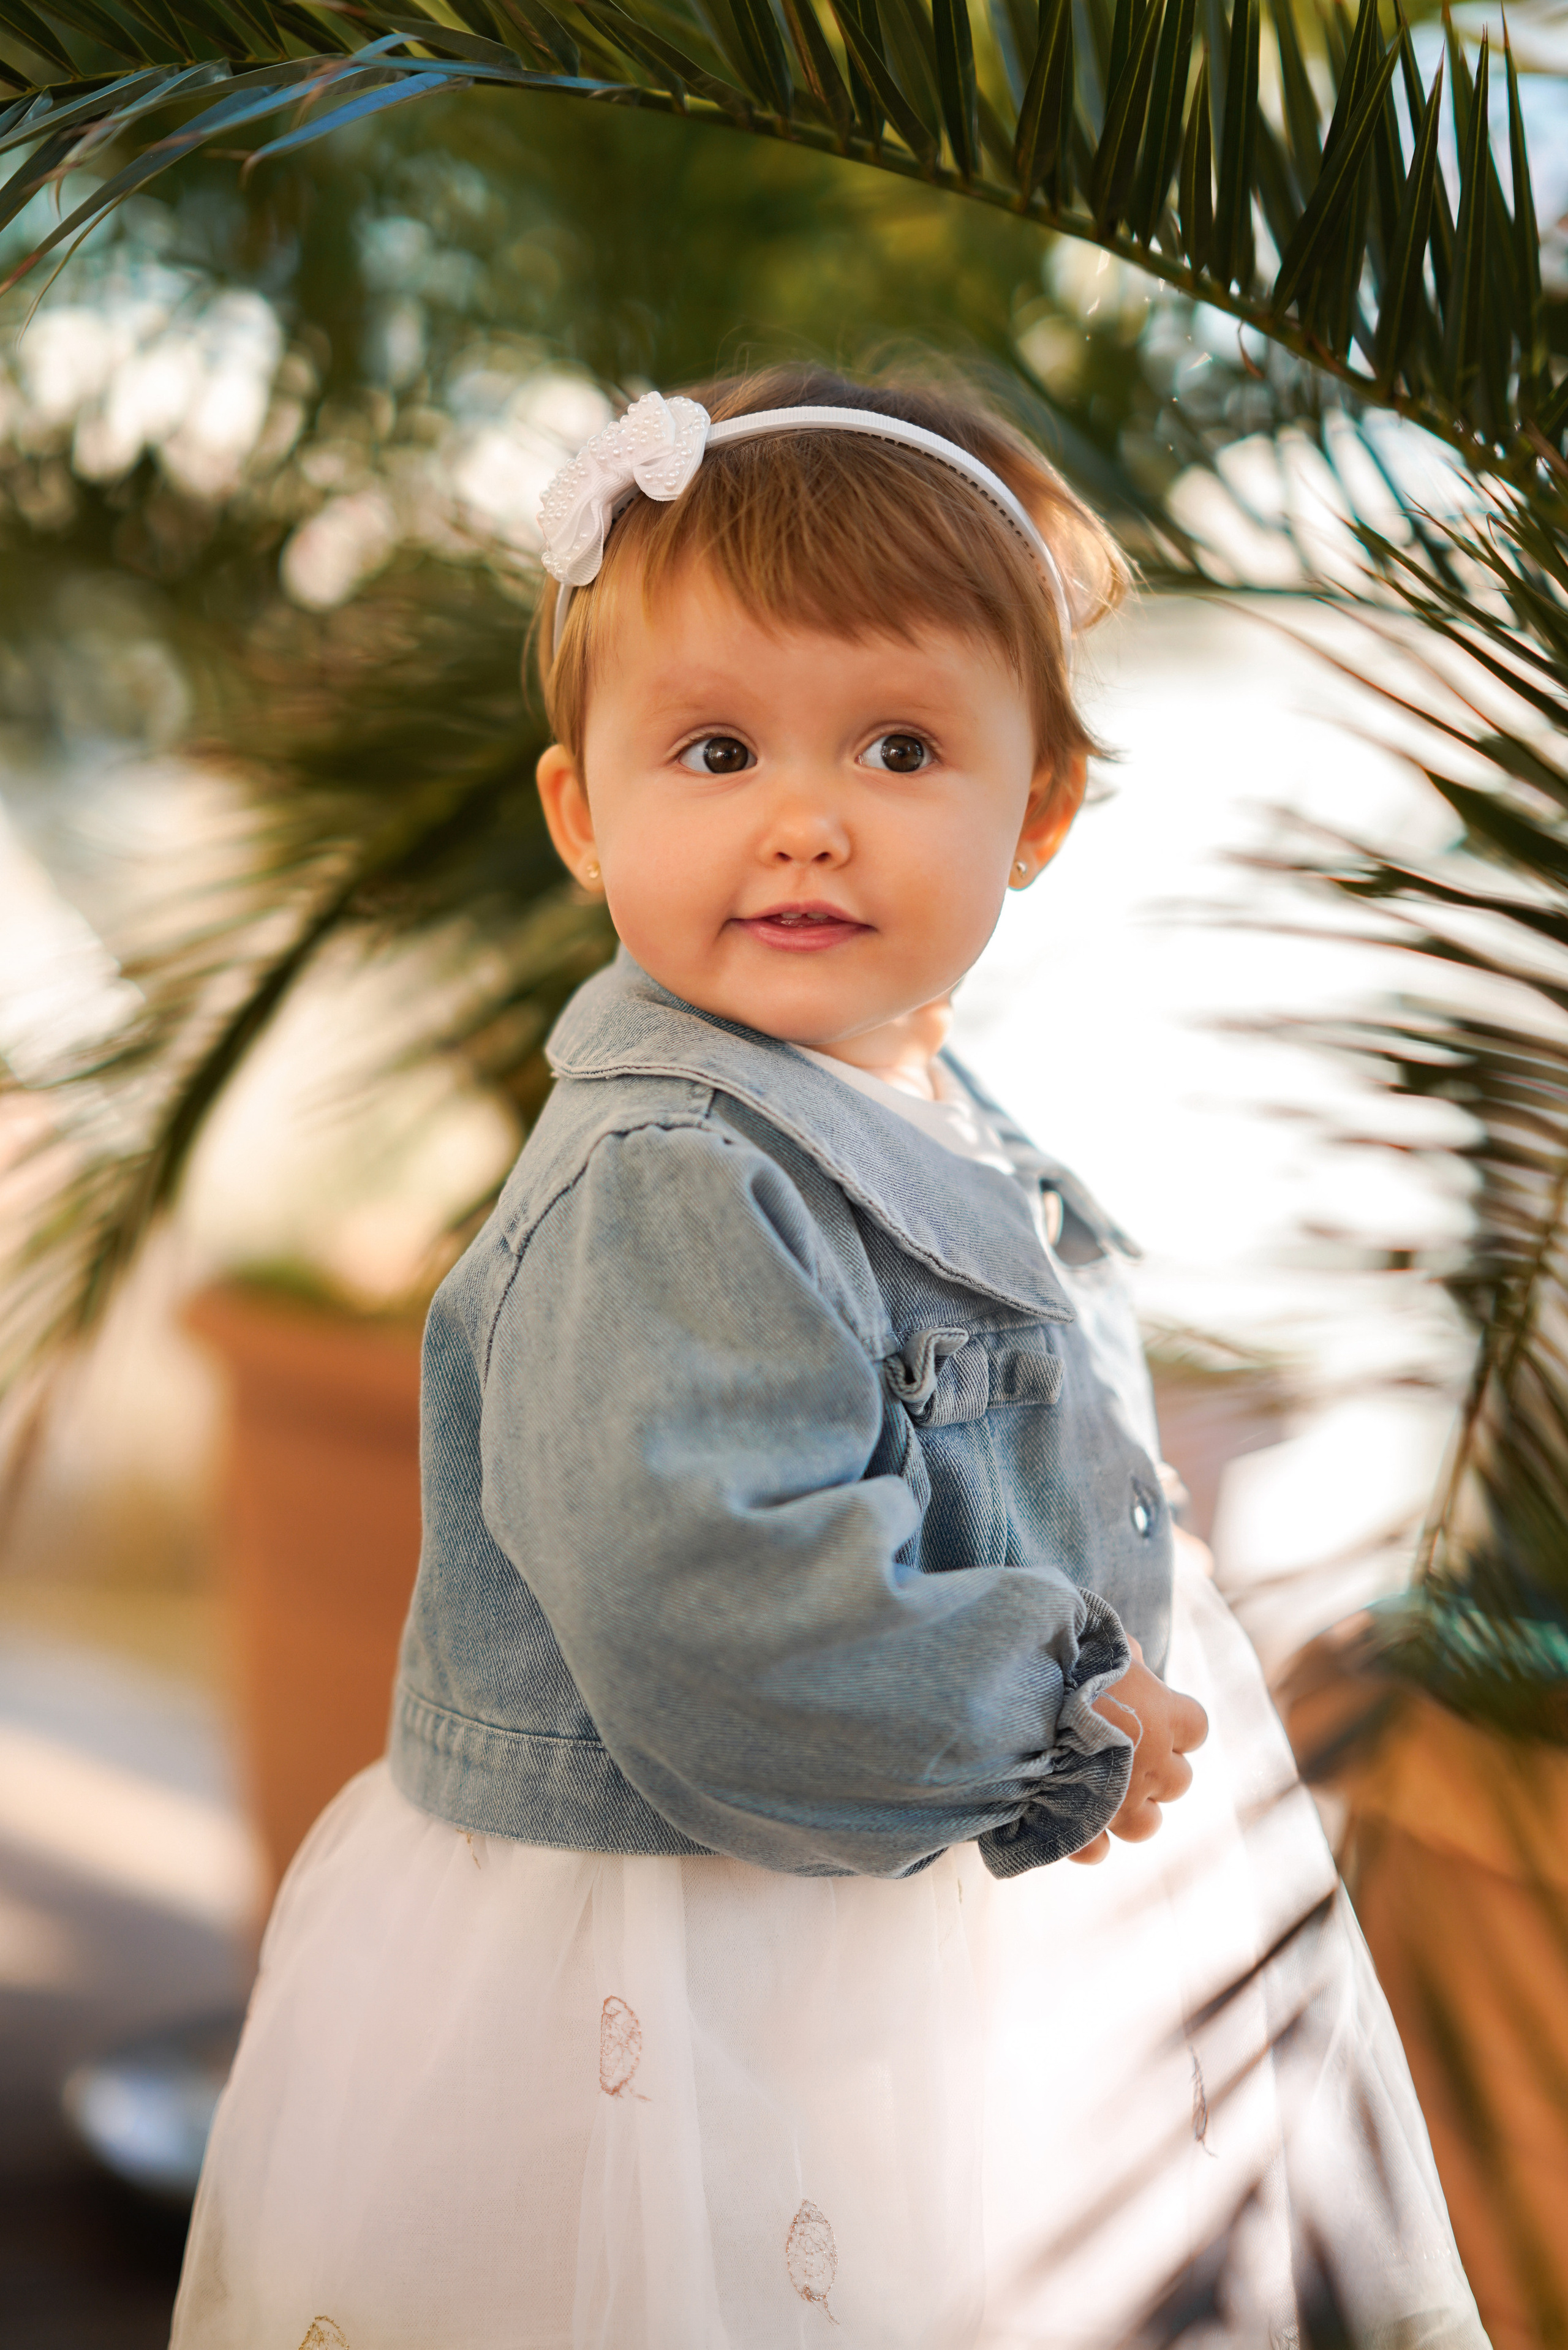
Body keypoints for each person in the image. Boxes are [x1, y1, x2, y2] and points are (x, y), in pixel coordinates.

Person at [170, 364, 1483, 2349]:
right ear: (582, 816)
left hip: (934, 1908)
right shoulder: (673, 1174)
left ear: (1038, 807)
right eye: (714, 751)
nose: (804, 821)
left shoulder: (925, 1108)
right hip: (704, 1947)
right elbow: (705, 1597)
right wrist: (1043, 1713)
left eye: (898, 746)